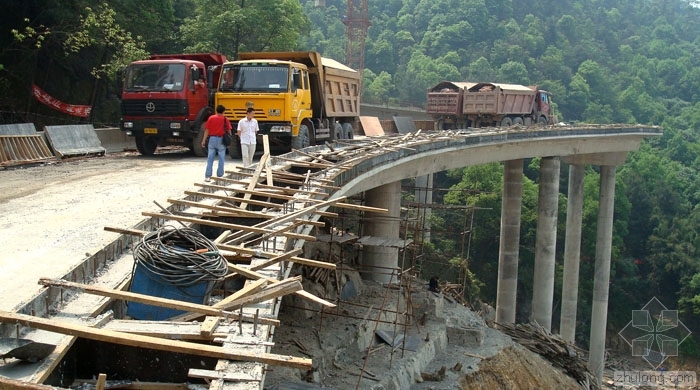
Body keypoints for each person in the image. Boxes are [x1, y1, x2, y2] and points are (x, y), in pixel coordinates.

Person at [201, 105, 232, 182]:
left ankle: (207, 176)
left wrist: (203, 140)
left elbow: (207, 130)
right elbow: (229, 131)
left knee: (210, 158)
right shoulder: (225, 119)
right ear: (223, 111)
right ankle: (220, 176)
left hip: (212, 139)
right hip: (221, 140)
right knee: (221, 158)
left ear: (216, 110)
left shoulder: (211, 118)